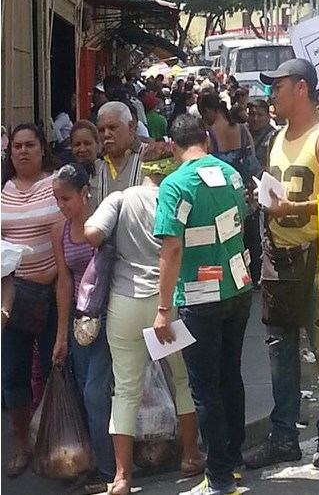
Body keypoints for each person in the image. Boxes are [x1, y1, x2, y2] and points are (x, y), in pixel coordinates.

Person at [244, 59, 319, 469]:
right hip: (278, 258)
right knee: (280, 351)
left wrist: (297, 206)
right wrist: (266, 203)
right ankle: (285, 436)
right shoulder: (276, 138)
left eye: (278, 87)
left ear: (302, 89)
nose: (272, 95)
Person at [84, 150, 205, 495]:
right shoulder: (178, 198)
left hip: (124, 303)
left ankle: (122, 476)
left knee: (124, 389)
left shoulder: (120, 198)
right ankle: (191, 455)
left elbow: (92, 232)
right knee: (182, 378)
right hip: (165, 303)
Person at [153, 114, 253, 495]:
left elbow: (171, 247)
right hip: (237, 287)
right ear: (207, 141)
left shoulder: (175, 186)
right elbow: (242, 223)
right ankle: (233, 461)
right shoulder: (231, 174)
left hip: (198, 298)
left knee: (204, 388)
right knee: (231, 376)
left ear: (172, 145)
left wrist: (163, 309)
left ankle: (221, 478)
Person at [1, 124, 63, 478]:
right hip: (14, 296)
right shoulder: (2, 190)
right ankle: (23, 444)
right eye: (17, 147)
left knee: (59, 370)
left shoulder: (55, 185)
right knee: (13, 376)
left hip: (54, 295)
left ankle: (58, 440)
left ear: (42, 149)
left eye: (30, 145)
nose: (23, 152)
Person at [50, 161, 116, 489]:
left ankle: (107, 471)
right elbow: (64, 282)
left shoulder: (100, 225)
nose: (61, 206)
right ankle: (93, 462)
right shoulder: (59, 231)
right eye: (57, 199)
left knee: (95, 395)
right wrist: (62, 335)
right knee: (83, 392)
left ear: (85, 194)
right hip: (79, 324)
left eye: (66, 199)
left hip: (106, 319)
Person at [198, 91, 262, 286]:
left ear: (209, 111)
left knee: (225, 240)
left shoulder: (208, 135)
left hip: (220, 196)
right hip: (244, 192)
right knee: (250, 238)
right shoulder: (243, 130)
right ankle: (252, 276)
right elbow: (253, 161)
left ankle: (230, 279)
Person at [93, 101, 144, 206]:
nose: (106, 135)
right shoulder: (95, 167)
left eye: (112, 128)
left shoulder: (151, 158)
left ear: (131, 127)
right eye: (102, 130)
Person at [247, 99, 277, 169]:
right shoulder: (243, 134)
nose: (255, 119)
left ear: (268, 117)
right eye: (252, 114)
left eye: (260, 115)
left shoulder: (274, 136)